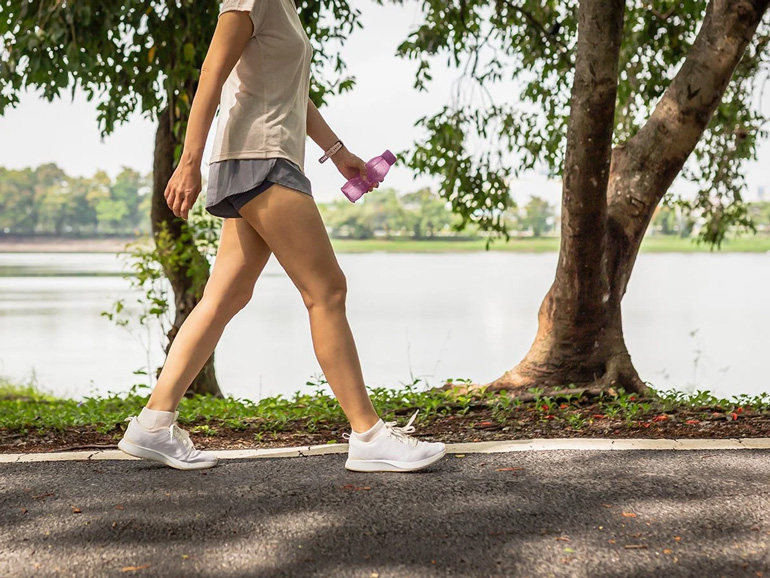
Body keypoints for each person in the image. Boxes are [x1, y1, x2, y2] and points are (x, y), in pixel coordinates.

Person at [117, 0, 446, 473]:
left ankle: (153, 423)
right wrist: (188, 161)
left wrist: (338, 152)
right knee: (327, 290)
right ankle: (369, 435)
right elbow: (211, 72)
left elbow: (291, 90)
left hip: (257, 159)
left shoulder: (282, 7)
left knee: (224, 296)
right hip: (261, 160)